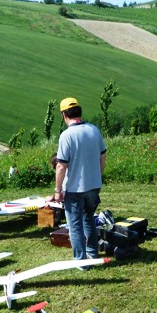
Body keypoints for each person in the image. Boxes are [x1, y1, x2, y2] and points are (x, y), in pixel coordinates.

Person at [49, 97, 107, 262]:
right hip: (94, 185)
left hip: (75, 188)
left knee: (74, 225)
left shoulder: (66, 135)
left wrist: (58, 191)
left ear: (64, 115)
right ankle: (93, 254)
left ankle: (81, 260)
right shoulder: (94, 130)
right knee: (89, 219)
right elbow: (102, 156)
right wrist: (98, 176)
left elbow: (61, 166)